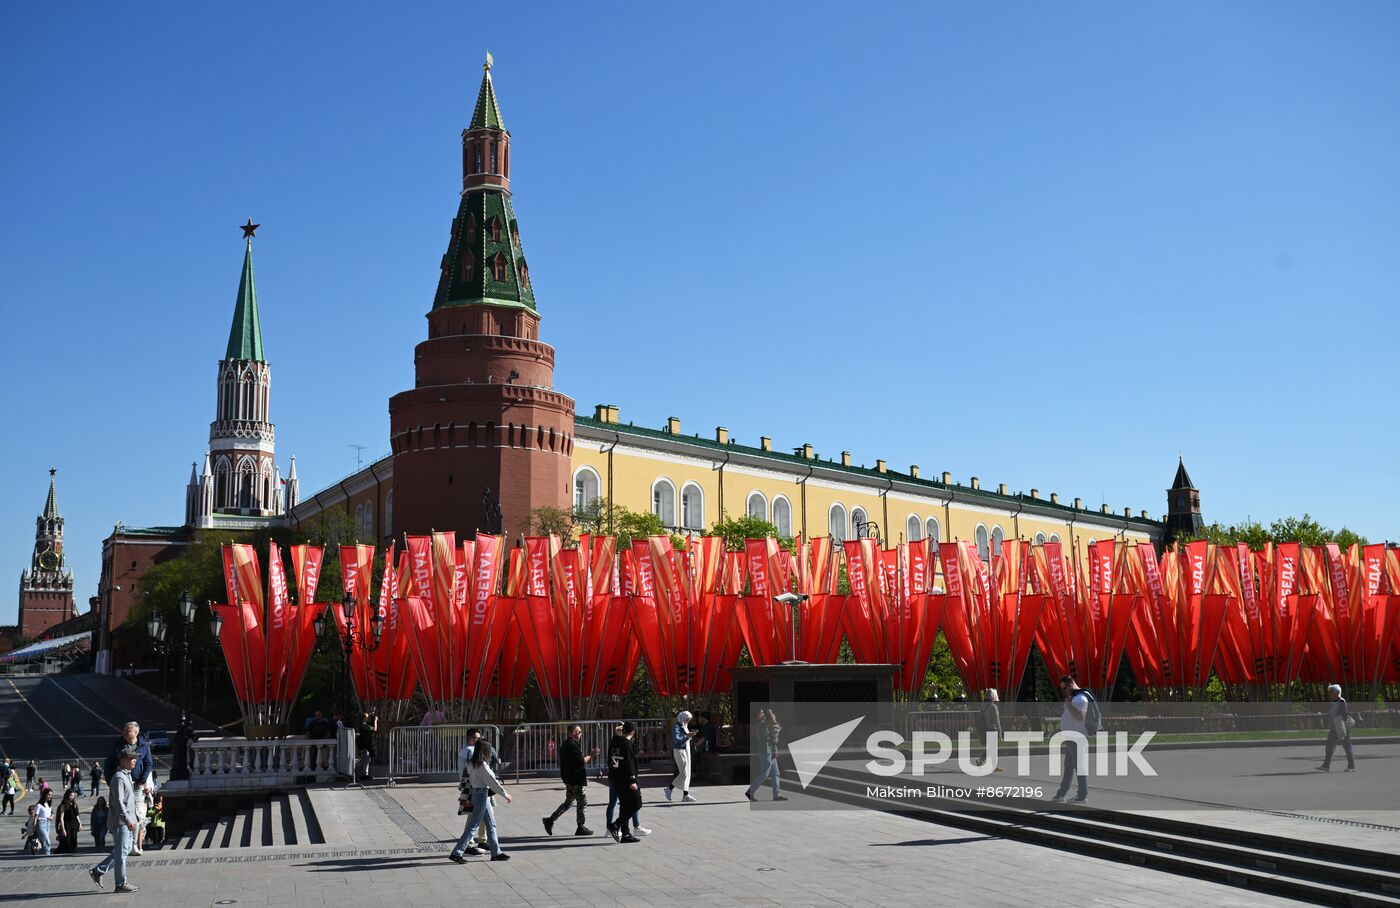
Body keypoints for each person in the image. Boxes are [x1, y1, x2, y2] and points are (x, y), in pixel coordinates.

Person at [90, 744, 142, 892]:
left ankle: (98, 871)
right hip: (121, 823)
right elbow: (119, 802)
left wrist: (135, 816)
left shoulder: (126, 776)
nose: (135, 761)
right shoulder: (119, 778)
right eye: (132, 758)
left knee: (122, 852)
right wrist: (127, 820)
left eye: (135, 758)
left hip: (127, 821)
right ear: (123, 760)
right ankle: (120, 884)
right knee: (121, 855)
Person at [448, 741, 512, 863]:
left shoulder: (470, 763)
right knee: (474, 826)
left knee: (491, 824)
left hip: (477, 794)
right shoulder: (482, 765)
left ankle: (496, 852)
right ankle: (457, 852)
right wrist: (505, 794)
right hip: (482, 795)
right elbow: (492, 781)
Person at [104, 721, 154, 855]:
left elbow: (149, 764)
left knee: (136, 815)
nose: (124, 733)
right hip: (121, 782)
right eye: (124, 731)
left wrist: (143, 780)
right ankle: (120, 842)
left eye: (128, 731)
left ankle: (132, 845)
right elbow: (108, 764)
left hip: (137, 785)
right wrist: (111, 782)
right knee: (120, 810)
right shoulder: (118, 745)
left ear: (136, 733)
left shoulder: (143, 745)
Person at [543, 724, 592, 836]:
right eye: (579, 732)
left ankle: (550, 820)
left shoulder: (566, 744)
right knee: (582, 801)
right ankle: (580, 827)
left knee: (569, 802)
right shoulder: (573, 745)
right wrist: (591, 754)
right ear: (574, 732)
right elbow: (581, 762)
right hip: (575, 779)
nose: (580, 734)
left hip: (569, 778)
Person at [1051, 675, 1091, 804]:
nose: (1064, 691)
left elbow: (1080, 716)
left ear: (1071, 684)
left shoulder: (1081, 698)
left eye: (1065, 688)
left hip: (1077, 737)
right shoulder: (1073, 698)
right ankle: (1061, 795)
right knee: (1069, 767)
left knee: (1079, 766)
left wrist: (1068, 705)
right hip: (1070, 737)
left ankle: (1082, 796)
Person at [607, 722, 643, 844]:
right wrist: (632, 780)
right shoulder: (627, 744)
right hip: (626, 779)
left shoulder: (614, 742)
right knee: (636, 803)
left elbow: (609, 760)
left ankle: (626, 833)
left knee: (624, 804)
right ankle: (615, 825)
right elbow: (629, 763)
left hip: (615, 778)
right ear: (633, 732)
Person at [746, 708, 787, 801]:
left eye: (763, 712)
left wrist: (775, 749)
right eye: (761, 712)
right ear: (757, 716)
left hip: (771, 751)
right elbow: (773, 722)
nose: (763, 713)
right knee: (764, 774)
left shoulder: (765, 724)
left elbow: (773, 738)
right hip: (765, 752)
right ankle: (750, 791)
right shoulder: (761, 725)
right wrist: (770, 712)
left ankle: (777, 795)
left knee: (775, 773)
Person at [1317, 683, 1357, 772]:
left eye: (1332, 692)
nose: (1330, 694)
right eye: (1330, 692)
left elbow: (1345, 715)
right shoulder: (1334, 702)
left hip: (1342, 728)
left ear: (1337, 692)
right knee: (1329, 746)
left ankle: (1351, 766)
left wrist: (1336, 719)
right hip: (1334, 727)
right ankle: (1326, 766)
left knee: (1347, 747)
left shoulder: (1341, 701)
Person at [664, 710, 698, 802]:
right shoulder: (676, 726)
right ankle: (669, 789)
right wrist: (688, 736)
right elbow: (677, 739)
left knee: (687, 773)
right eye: (687, 719)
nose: (688, 721)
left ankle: (685, 795)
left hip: (685, 749)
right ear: (682, 718)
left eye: (689, 720)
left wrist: (690, 735)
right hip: (679, 750)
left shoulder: (684, 725)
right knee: (684, 772)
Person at [977, 689, 1003, 771]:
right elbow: (996, 720)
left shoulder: (983, 706)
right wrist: (1000, 732)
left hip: (986, 729)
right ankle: (993, 765)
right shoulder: (993, 707)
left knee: (990, 748)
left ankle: (981, 760)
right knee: (993, 749)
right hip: (993, 729)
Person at [56, 788, 81, 853]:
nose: (72, 797)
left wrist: (80, 824)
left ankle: (73, 850)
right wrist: (63, 829)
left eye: (73, 795)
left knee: (74, 837)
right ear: (67, 795)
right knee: (68, 839)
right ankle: (67, 850)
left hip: (74, 824)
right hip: (67, 824)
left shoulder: (74, 804)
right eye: (70, 795)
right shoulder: (63, 805)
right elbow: (61, 817)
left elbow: (77, 815)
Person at [356, 712, 379, 780]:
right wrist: (375, 720)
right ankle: (363, 774)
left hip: (365, 744)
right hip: (366, 744)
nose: (368, 718)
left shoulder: (363, 724)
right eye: (367, 717)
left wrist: (372, 716)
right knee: (365, 759)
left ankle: (364, 773)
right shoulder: (364, 725)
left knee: (366, 759)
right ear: (364, 718)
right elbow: (375, 729)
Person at [34, 788, 54, 855]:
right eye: (48, 795)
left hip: (48, 824)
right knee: (47, 840)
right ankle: (48, 854)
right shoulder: (39, 805)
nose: (50, 796)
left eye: (51, 795)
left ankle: (44, 853)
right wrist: (34, 828)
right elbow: (35, 817)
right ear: (44, 795)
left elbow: (51, 813)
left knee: (44, 840)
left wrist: (51, 816)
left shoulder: (49, 804)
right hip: (41, 824)